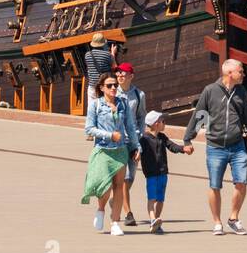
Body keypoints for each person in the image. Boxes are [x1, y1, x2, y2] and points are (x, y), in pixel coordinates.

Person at [183, 58, 247, 236]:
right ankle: (217, 222)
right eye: (241, 71)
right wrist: (188, 139)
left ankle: (233, 218)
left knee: (241, 182)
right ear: (230, 73)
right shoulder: (210, 91)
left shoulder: (241, 91)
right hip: (215, 147)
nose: (243, 74)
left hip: (237, 146)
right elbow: (200, 116)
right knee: (215, 185)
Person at [81, 74, 140, 235]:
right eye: (109, 85)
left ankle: (115, 222)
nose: (113, 88)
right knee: (105, 186)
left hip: (120, 150)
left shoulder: (123, 103)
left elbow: (130, 125)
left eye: (114, 85)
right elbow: (89, 129)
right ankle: (100, 210)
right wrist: (109, 135)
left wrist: (136, 147)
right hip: (103, 150)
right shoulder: (96, 105)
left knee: (119, 186)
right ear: (102, 88)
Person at [140, 110, 193, 233]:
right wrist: (135, 154)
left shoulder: (162, 137)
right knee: (151, 198)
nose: (165, 123)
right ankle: (152, 219)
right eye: (163, 121)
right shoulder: (144, 139)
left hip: (163, 172)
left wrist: (183, 149)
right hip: (151, 174)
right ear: (155, 123)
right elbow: (136, 150)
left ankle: (157, 221)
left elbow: (171, 146)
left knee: (160, 199)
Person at [115, 63, 147, 226]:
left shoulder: (139, 94)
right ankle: (128, 213)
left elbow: (142, 117)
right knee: (124, 177)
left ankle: (117, 201)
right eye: (118, 73)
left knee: (131, 178)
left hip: (134, 141)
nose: (120, 76)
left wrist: (140, 135)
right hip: (118, 141)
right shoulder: (112, 93)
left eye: (124, 73)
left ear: (131, 76)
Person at [83, 33, 113, 110]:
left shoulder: (87, 55)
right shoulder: (107, 55)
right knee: (104, 108)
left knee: (91, 107)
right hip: (103, 85)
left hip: (92, 85)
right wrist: (112, 54)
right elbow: (114, 66)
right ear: (103, 43)